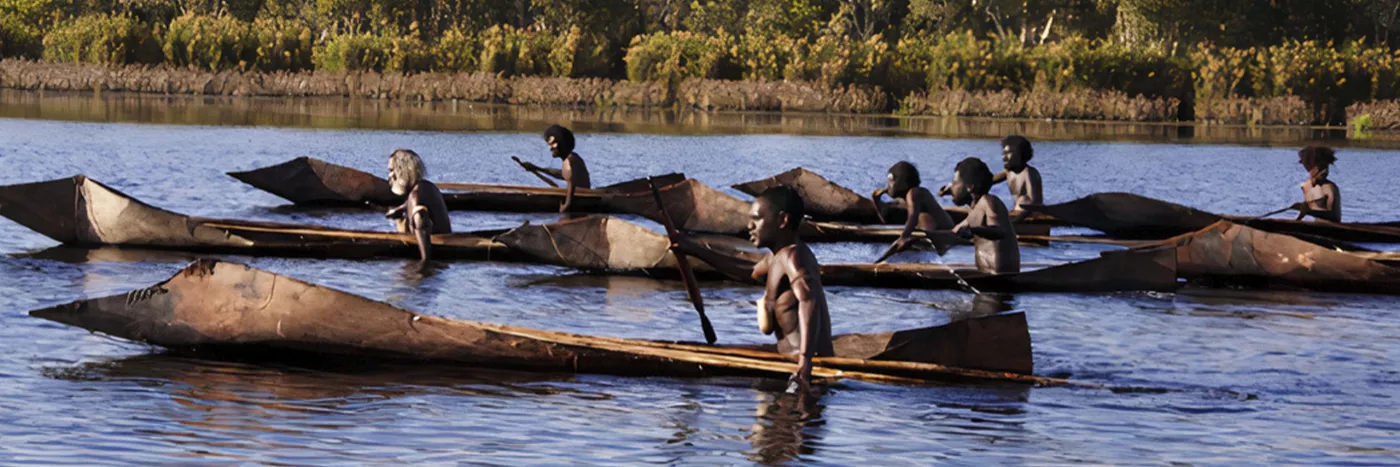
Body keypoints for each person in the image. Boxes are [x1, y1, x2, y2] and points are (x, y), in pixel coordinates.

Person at [670, 186, 834, 394]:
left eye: (757, 219)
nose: (749, 226)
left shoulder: (794, 257)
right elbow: (747, 271)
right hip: (787, 360)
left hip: (808, 370)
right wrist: (693, 249)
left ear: (782, 221)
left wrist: (805, 363)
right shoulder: (776, 256)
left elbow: (808, 301)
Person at [947, 157, 1020, 274]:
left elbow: (999, 231)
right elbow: (954, 232)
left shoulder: (988, 201)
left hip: (999, 277)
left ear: (970, 187)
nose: (951, 187)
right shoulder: (974, 211)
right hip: (986, 274)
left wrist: (973, 230)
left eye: (955, 182)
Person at [870, 161, 957, 254]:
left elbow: (913, 217)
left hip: (943, 236)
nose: (888, 185)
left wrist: (903, 238)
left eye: (891, 180)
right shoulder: (904, 200)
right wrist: (877, 201)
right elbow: (886, 221)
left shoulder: (915, 193)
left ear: (900, 181)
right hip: (930, 237)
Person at [939, 135, 1042, 211]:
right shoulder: (1008, 172)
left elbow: (1032, 200)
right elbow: (986, 182)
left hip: (1029, 214)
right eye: (1003, 154)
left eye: (1008, 153)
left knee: (1023, 200)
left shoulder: (1028, 173)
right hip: (1017, 213)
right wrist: (955, 188)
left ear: (1021, 153)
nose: (1004, 157)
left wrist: (1019, 214)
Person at [384, 149, 451, 262]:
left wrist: (424, 263)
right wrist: (399, 210)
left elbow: (420, 217)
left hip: (436, 248)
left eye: (391, 170)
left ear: (403, 170)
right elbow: (411, 203)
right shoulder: (426, 187)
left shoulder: (416, 196)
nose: (390, 176)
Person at [517, 124, 592, 213]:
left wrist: (564, 207)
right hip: (582, 197)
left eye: (553, 144)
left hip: (582, 199)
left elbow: (570, 192)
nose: (550, 148)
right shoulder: (571, 158)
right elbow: (562, 174)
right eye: (549, 145)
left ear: (562, 142)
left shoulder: (569, 161)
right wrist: (535, 168)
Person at [1290, 146, 1341, 222]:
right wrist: (1299, 214)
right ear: (1310, 168)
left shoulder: (1330, 188)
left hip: (1330, 229)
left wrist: (1309, 211)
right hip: (1316, 227)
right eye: (1321, 168)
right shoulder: (1306, 186)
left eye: (1327, 167)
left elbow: (1335, 217)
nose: (1325, 171)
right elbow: (1306, 210)